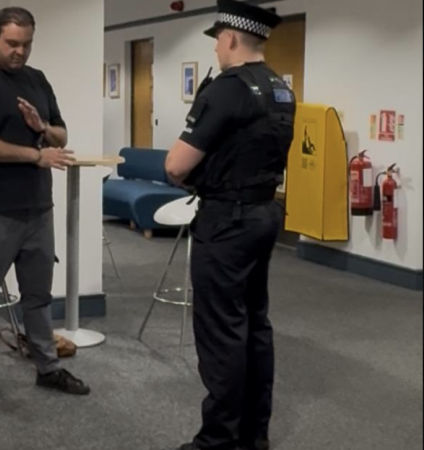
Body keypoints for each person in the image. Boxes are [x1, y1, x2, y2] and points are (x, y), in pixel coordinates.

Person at [163, 1, 295, 449]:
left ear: (232, 37)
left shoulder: (228, 88)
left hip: (227, 221)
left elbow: (177, 165)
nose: (218, 47)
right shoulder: (281, 88)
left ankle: (218, 440)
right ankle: (253, 435)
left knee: (221, 331)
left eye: (218, 38)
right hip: (264, 214)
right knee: (254, 324)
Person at [0, 6, 90, 419]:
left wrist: (42, 125)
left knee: (38, 297)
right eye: (12, 43)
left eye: (26, 44)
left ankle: (47, 367)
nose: (20, 51)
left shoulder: (37, 79)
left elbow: (62, 133)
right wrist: (36, 154)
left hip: (38, 210)